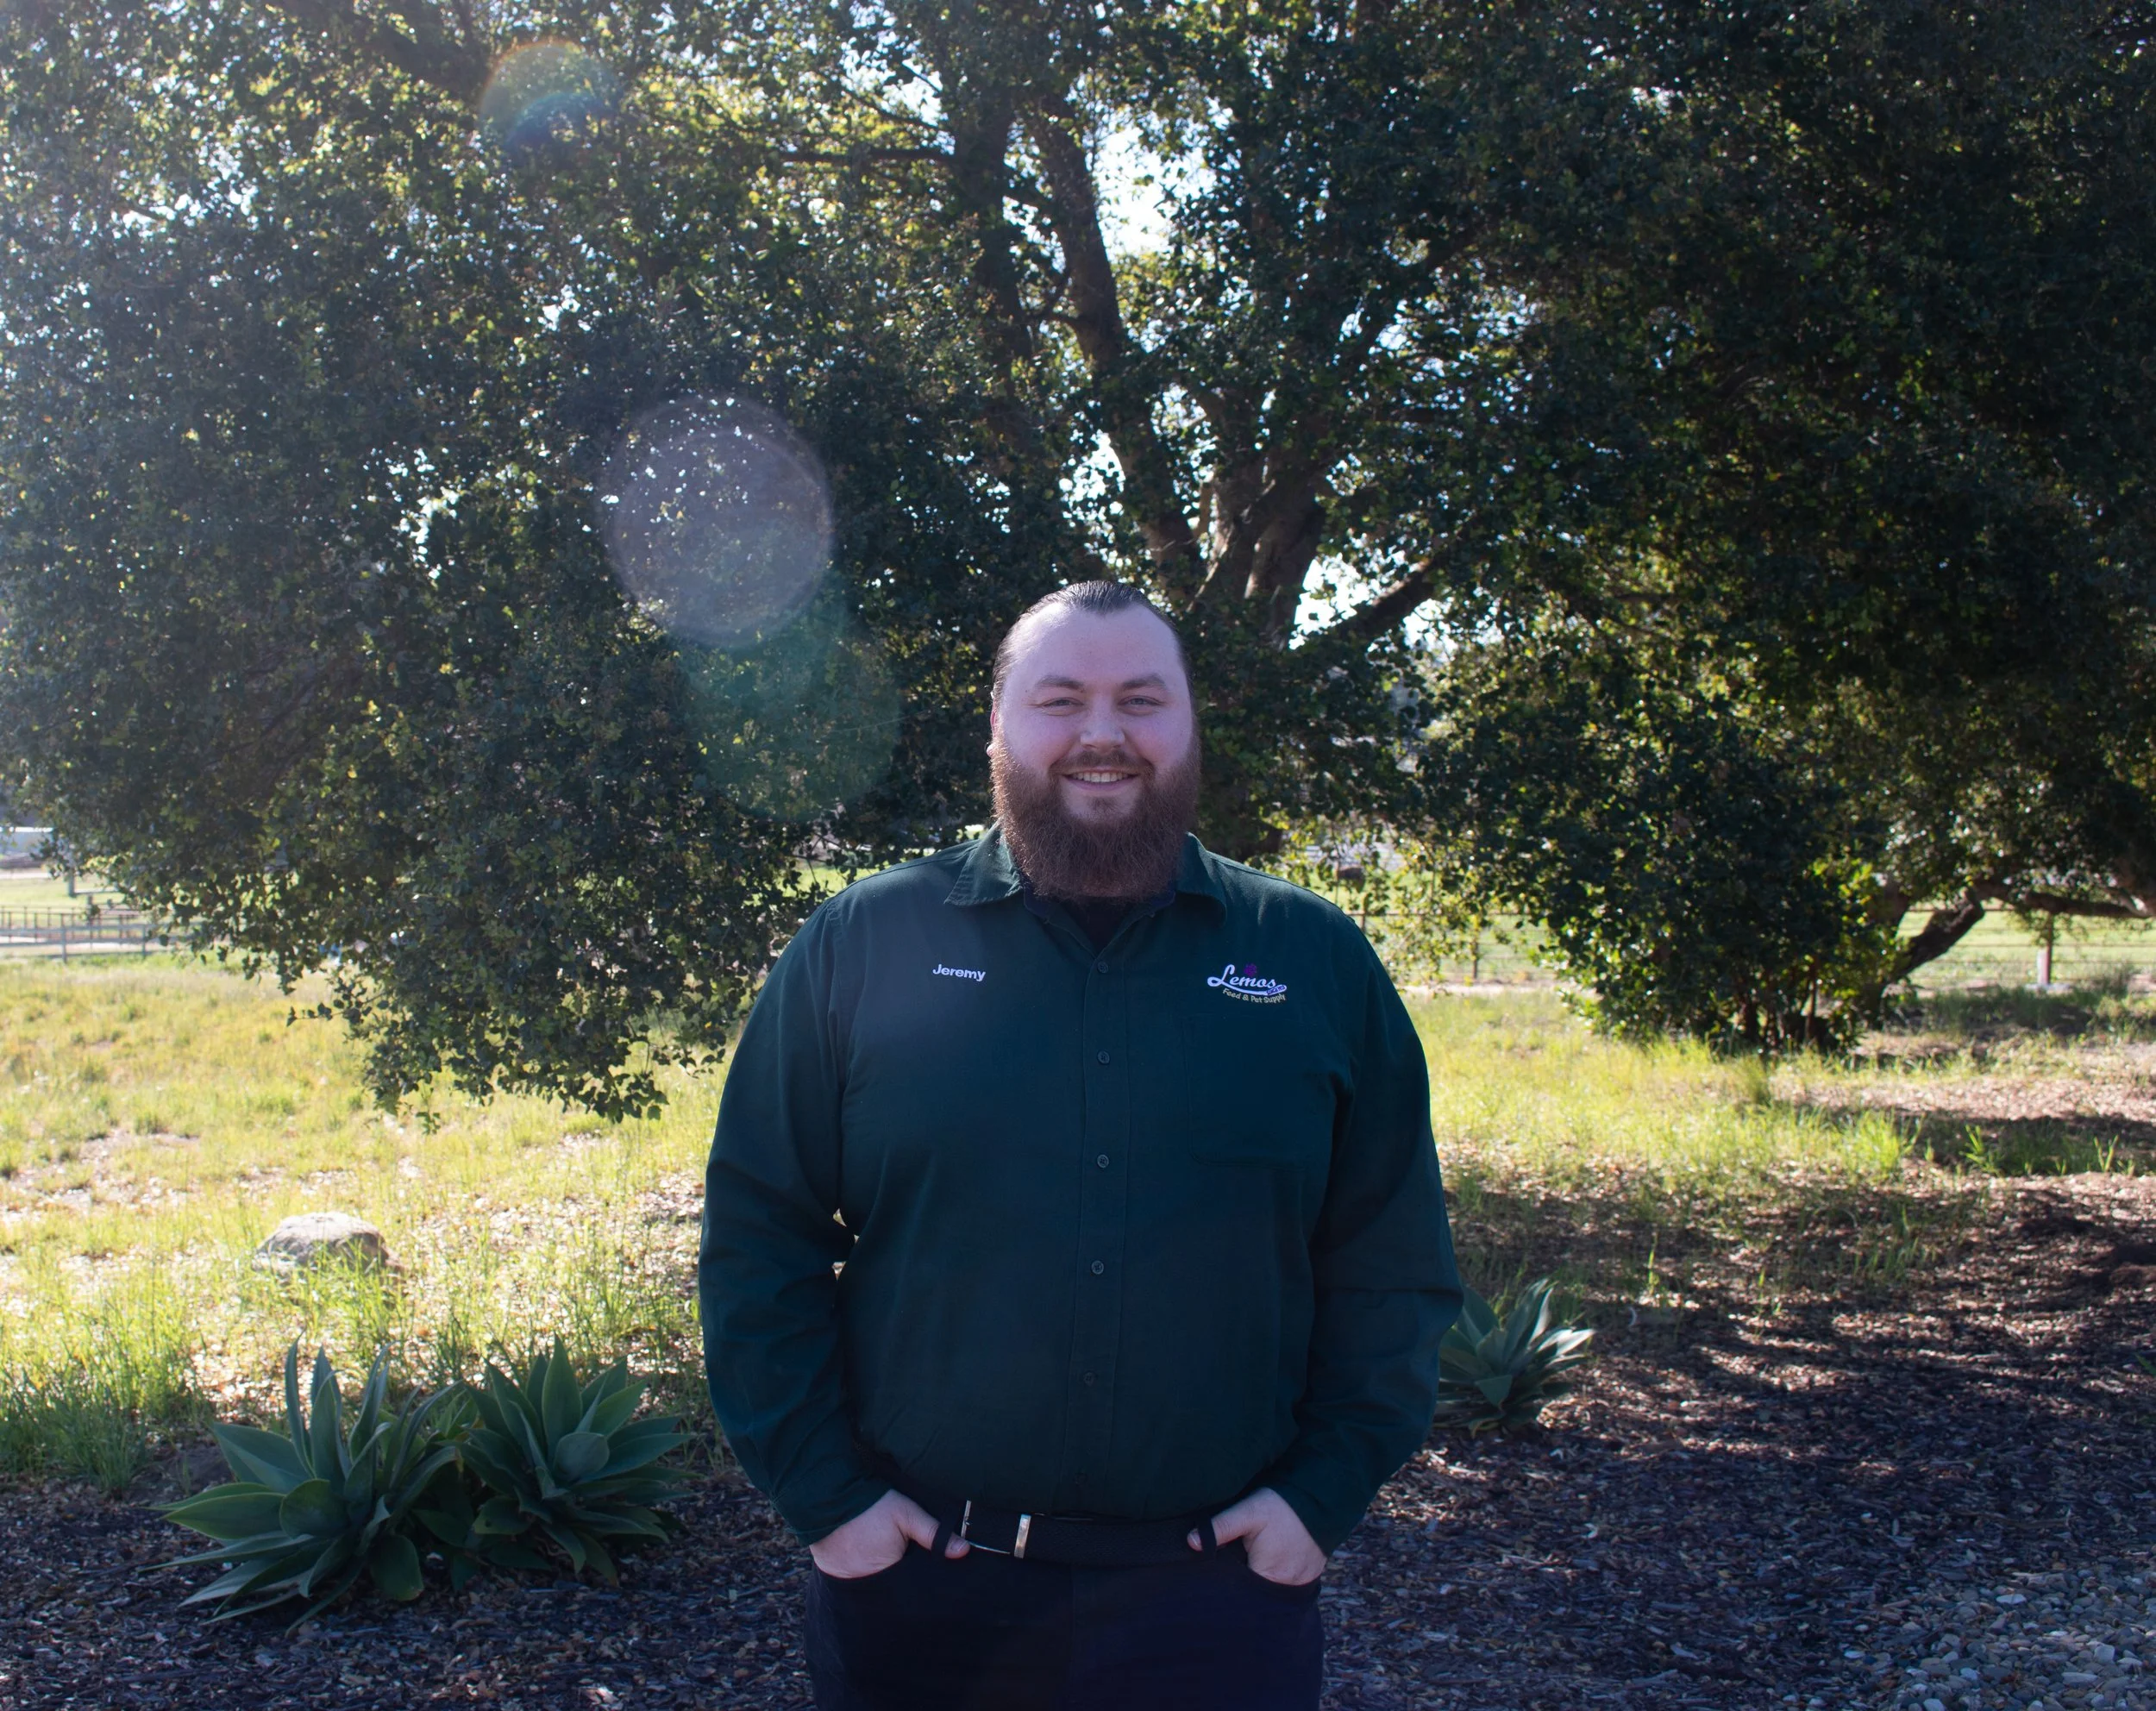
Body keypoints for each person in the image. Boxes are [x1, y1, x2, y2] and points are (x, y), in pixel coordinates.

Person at [699, 580, 1461, 1711]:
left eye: (1141, 700)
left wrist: (1322, 1498)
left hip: (1216, 1606)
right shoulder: (865, 941)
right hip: (920, 1596)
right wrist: (829, 1501)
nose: (1102, 735)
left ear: (1191, 725)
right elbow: (762, 1232)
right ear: (998, 726)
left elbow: (1390, 1261)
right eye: (1061, 699)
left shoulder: (1312, 960)